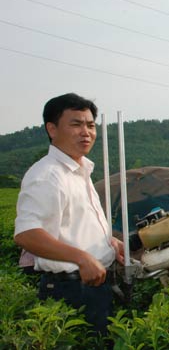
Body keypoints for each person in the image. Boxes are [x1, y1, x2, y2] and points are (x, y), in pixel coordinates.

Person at [14, 93, 124, 336]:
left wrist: (109, 243)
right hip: (70, 287)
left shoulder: (79, 170)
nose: (86, 132)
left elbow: (75, 226)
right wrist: (83, 258)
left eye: (91, 125)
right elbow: (27, 234)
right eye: (76, 124)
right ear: (52, 129)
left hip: (93, 284)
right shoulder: (47, 175)